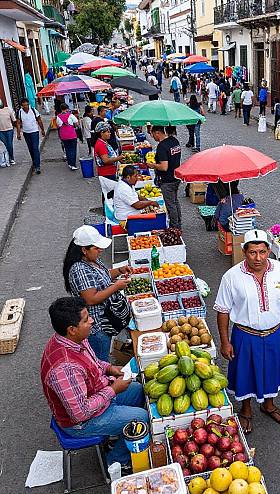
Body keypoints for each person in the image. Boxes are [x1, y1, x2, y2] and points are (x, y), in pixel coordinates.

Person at [42, 296, 148, 468]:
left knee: (138, 390)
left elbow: (95, 363)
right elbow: (80, 413)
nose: (92, 321)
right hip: (81, 423)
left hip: (98, 394)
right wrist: (113, 390)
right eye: (86, 320)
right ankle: (116, 461)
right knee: (142, 418)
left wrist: (110, 368)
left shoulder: (75, 339)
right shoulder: (64, 368)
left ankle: (120, 436)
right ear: (72, 329)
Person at [214, 230, 280, 434]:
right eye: (253, 252)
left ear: (269, 250)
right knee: (245, 373)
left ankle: (268, 405)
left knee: (273, 370)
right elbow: (223, 311)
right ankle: (245, 410)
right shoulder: (231, 277)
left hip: (274, 332)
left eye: (262, 252)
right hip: (245, 335)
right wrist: (225, 341)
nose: (258, 258)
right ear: (244, 251)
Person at [63, 226, 132, 361]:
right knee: (101, 361)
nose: (100, 250)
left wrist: (119, 270)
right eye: (96, 248)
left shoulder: (91, 259)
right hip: (98, 326)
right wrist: (116, 286)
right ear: (84, 249)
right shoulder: (79, 269)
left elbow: (103, 275)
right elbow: (91, 299)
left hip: (106, 320)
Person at [147, 126, 182, 229]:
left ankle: (174, 227)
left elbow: (163, 167)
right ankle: (178, 223)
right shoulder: (174, 141)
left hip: (167, 180)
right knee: (175, 201)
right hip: (176, 176)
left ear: (157, 133)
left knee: (170, 204)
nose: (153, 137)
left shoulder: (162, 146)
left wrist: (152, 165)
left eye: (152, 134)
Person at [16, 97, 45, 175]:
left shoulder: (33, 110)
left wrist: (42, 130)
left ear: (28, 104)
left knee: (35, 148)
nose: (26, 107)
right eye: (24, 105)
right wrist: (18, 133)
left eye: (27, 105)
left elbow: (39, 120)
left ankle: (37, 166)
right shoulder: (19, 112)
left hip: (34, 131)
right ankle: (35, 162)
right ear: (22, 106)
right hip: (26, 133)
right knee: (31, 149)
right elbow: (18, 123)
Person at [56, 103, 79, 171]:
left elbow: (58, 125)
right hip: (72, 134)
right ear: (67, 108)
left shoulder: (58, 117)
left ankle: (69, 163)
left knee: (67, 149)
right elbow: (77, 123)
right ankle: (73, 164)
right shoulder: (71, 115)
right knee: (73, 149)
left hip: (63, 135)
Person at [0, 99, 16, 165]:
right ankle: (7, 159)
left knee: (9, 144)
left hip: (9, 130)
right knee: (6, 145)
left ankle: (11, 158)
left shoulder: (8, 110)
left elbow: (14, 120)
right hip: (1, 131)